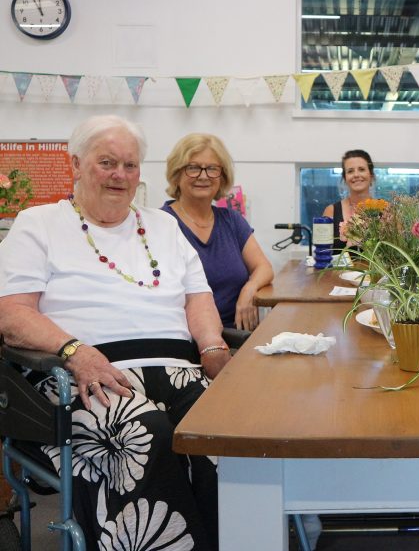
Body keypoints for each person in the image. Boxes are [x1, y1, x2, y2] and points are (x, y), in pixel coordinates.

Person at [0, 115, 230, 551]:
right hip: (84, 373)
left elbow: (198, 299)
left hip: (178, 368)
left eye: (130, 165)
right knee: (145, 433)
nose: (119, 175)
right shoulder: (38, 223)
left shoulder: (162, 226)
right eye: (107, 162)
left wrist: (214, 347)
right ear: (76, 165)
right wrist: (75, 352)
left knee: (224, 430)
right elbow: (11, 313)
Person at [162, 133, 274, 332]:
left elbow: (264, 267)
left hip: (236, 335)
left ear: (222, 177)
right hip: (187, 339)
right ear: (177, 173)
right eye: (193, 168)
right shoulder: (162, 224)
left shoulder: (231, 220)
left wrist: (249, 289)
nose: (203, 176)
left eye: (212, 168)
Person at [323, 149, 375, 253]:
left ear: (371, 175)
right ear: (345, 178)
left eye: (361, 169)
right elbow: (323, 252)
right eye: (350, 171)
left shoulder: (387, 210)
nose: (356, 175)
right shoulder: (330, 211)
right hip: (339, 270)